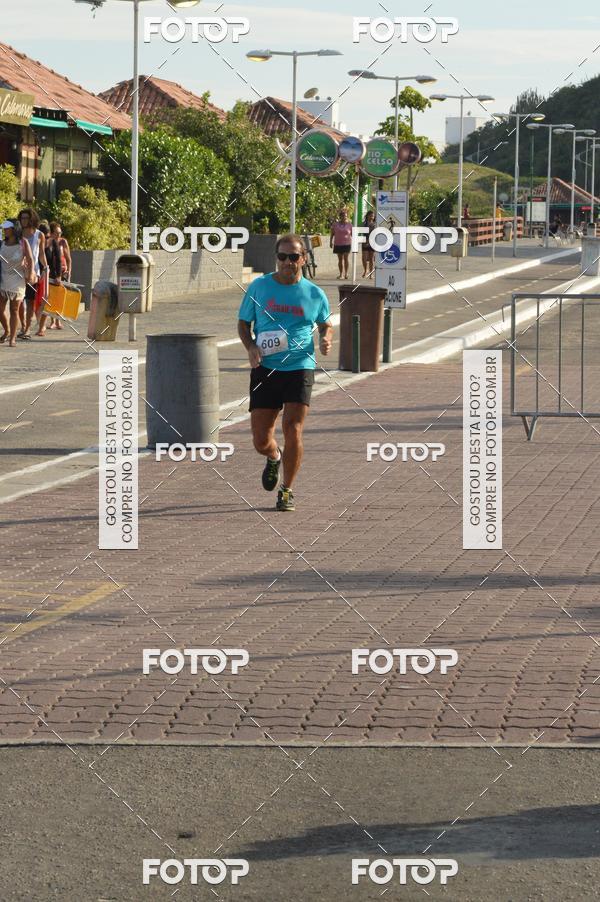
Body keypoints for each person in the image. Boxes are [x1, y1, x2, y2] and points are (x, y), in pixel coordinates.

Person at [237, 234, 333, 512]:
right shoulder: (259, 287)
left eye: (293, 257)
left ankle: (287, 490)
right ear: (276, 258)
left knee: (293, 428)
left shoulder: (314, 293)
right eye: (282, 257)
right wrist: (251, 346)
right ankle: (273, 456)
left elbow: (326, 323)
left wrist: (326, 337)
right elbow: (243, 324)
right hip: (265, 368)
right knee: (260, 440)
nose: (287, 262)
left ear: (303, 258)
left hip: (300, 367)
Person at [0, 219, 34, 347]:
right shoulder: (2, 243)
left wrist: (30, 273)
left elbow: (30, 259)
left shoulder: (23, 243)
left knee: (14, 310)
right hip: (2, 278)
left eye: (7, 228)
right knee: (0, 309)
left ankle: (12, 338)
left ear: (14, 229)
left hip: (17, 279)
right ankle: (7, 330)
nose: (4, 230)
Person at [17, 208, 45, 340]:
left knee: (29, 301)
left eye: (26, 218)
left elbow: (41, 254)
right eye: (22, 218)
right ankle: (22, 325)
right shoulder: (17, 234)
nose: (24, 221)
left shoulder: (39, 235)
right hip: (17, 272)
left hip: (33, 273)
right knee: (18, 301)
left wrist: (46, 267)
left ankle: (27, 329)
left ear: (32, 219)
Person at [35, 222, 62, 337]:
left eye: (46, 236)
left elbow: (59, 260)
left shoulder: (53, 242)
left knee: (45, 301)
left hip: (50, 276)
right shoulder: (35, 242)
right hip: (37, 275)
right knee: (37, 302)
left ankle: (41, 327)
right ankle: (40, 325)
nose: (46, 238)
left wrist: (58, 276)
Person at [48, 221, 71, 330]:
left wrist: (69, 272)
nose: (59, 235)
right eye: (57, 232)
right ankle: (52, 321)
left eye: (60, 232)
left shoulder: (63, 242)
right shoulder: (49, 242)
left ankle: (58, 320)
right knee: (52, 297)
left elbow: (68, 259)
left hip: (62, 272)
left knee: (60, 297)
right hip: (52, 272)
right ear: (52, 233)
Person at [330, 207, 352, 280]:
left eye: (345, 216)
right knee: (340, 259)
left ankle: (346, 274)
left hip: (347, 244)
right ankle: (341, 274)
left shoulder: (349, 225)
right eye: (343, 216)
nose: (344, 217)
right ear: (340, 217)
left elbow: (353, 234)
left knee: (346, 258)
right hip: (338, 244)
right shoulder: (335, 224)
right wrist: (330, 242)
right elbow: (332, 233)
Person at [361, 210, 376, 278]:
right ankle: (365, 270)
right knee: (364, 258)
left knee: (371, 259)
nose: (371, 217)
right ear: (367, 216)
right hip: (365, 242)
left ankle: (371, 274)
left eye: (373, 216)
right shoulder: (364, 224)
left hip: (372, 243)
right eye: (370, 215)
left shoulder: (375, 224)